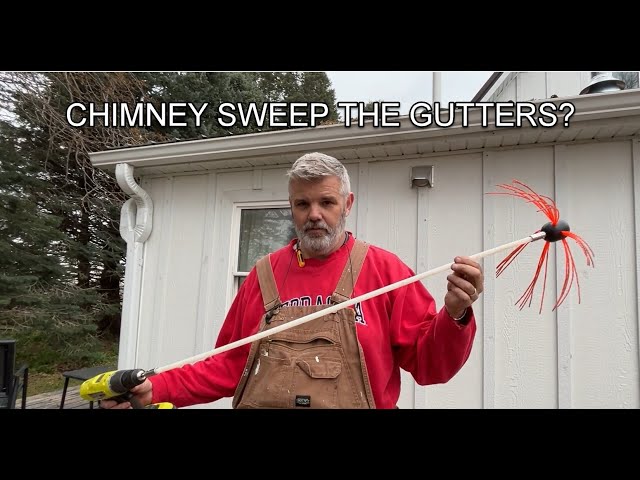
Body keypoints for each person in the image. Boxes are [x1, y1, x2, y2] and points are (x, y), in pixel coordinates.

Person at [102, 152, 482, 409]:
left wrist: (456, 314)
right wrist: (158, 388)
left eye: (326, 202)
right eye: (302, 204)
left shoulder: (386, 271)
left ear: (347, 205)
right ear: (292, 207)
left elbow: (433, 366)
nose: (314, 214)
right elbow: (228, 364)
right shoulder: (263, 274)